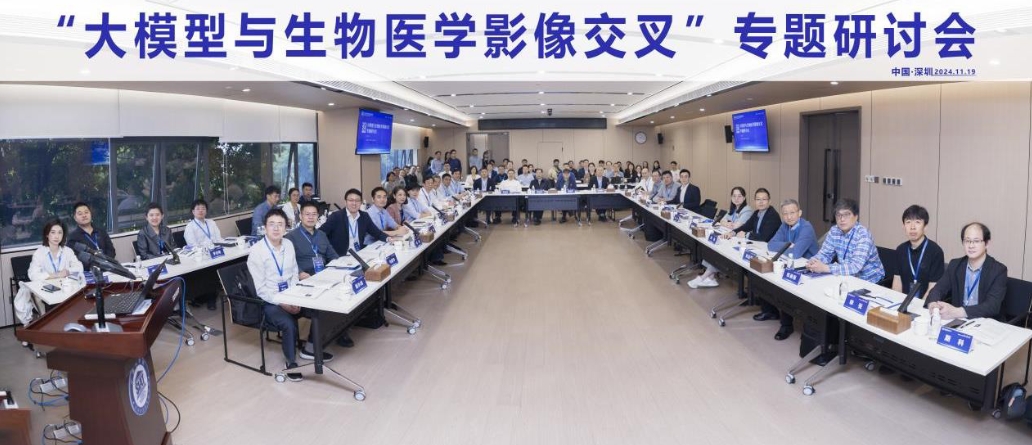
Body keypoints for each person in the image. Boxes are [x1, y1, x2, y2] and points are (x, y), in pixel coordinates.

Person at [247, 208, 332, 375]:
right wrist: (283, 302)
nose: (276, 228)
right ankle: (291, 362)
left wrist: (294, 297)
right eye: (272, 224)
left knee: (320, 308)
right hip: (270, 300)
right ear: (265, 227)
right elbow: (261, 290)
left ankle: (309, 348)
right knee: (288, 324)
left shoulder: (288, 244)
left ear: (286, 227)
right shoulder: (257, 251)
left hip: (291, 293)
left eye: (280, 224)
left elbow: (294, 274)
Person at [752, 199, 820, 340]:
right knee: (768, 277)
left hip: (810, 270)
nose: (789, 217)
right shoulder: (785, 226)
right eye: (785, 214)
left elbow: (796, 253)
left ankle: (786, 325)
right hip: (791, 265)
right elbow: (771, 245)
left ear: (799, 213)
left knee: (783, 286)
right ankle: (772, 312)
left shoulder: (806, 227)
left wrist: (786, 247)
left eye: (792, 213)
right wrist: (789, 244)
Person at [926, 222, 1007, 320]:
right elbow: (938, 289)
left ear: (986, 243)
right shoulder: (955, 265)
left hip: (985, 322)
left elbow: (992, 306)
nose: (971, 246)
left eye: (976, 241)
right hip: (959, 321)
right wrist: (933, 304)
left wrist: (957, 312)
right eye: (967, 241)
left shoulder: (998, 270)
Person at [14, 219, 85, 324]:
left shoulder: (67, 251)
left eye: (60, 233)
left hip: (64, 288)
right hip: (47, 289)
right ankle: (48, 324)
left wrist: (67, 271)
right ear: (47, 234)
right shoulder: (39, 253)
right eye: (53, 232)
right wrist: (54, 275)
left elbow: (79, 267)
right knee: (46, 308)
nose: (57, 236)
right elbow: (33, 275)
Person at [806, 198, 885, 283]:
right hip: (847, 276)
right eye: (838, 215)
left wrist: (825, 268)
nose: (842, 219)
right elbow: (825, 254)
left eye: (847, 215)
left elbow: (855, 266)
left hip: (870, 279)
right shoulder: (834, 230)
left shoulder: (863, 234)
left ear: (856, 217)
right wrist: (813, 262)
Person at [891, 205, 945, 299]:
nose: (912, 227)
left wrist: (920, 305)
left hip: (925, 303)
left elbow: (933, 288)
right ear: (903, 226)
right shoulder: (900, 250)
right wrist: (896, 302)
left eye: (917, 222)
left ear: (925, 227)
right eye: (908, 222)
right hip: (903, 302)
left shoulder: (935, 252)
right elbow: (897, 281)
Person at [320, 189, 391, 257]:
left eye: (357, 200)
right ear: (345, 202)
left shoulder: (364, 216)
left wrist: (388, 239)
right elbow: (320, 234)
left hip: (360, 254)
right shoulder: (336, 216)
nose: (354, 203)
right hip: (341, 257)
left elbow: (377, 233)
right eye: (351, 200)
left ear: (361, 203)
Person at [67, 201, 117, 267]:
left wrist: (106, 262)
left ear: (91, 214)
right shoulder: (72, 238)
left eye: (86, 212)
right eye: (80, 214)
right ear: (75, 218)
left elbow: (111, 251)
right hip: (87, 271)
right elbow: (74, 258)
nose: (84, 215)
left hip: (107, 268)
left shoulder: (101, 232)